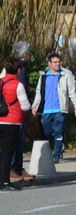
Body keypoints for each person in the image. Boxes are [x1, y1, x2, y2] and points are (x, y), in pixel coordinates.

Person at [32, 53, 76, 164]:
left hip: (60, 109)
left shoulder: (65, 75)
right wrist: (35, 106)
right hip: (46, 109)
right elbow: (39, 92)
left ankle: (57, 154)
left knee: (58, 131)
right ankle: (58, 144)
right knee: (47, 131)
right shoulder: (44, 76)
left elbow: (72, 92)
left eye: (59, 62)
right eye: (55, 62)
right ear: (49, 63)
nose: (58, 64)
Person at [1, 56, 32, 191]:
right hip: (12, 121)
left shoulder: (0, 82)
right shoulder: (18, 84)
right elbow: (25, 106)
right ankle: (5, 182)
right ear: (18, 70)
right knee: (7, 153)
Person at [9, 42, 33, 182]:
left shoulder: (18, 68)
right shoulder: (20, 69)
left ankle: (17, 167)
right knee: (16, 139)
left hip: (15, 109)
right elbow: (20, 88)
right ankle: (13, 167)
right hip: (16, 110)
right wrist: (29, 96)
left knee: (18, 140)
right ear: (25, 54)